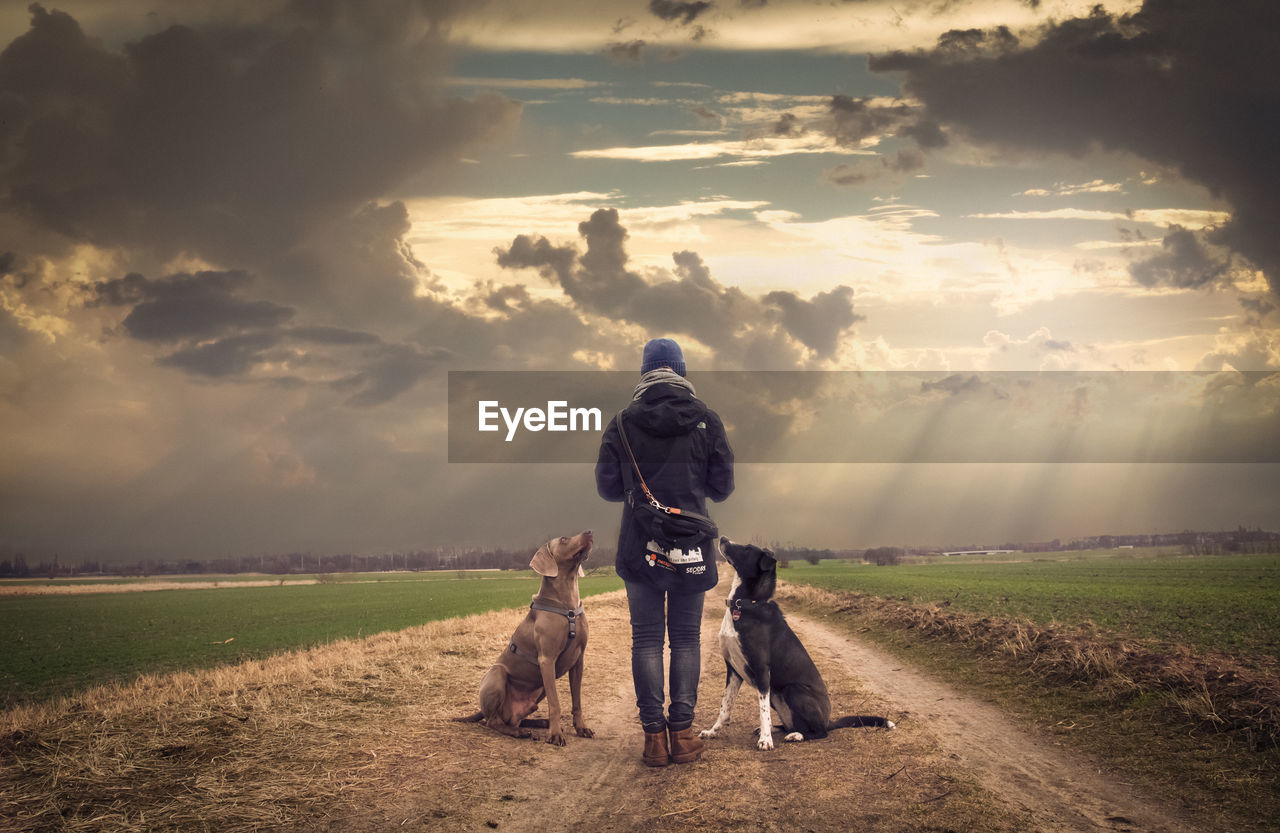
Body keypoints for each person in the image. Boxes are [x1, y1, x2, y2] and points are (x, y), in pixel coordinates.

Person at [595, 337, 734, 766]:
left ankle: (654, 739)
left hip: (642, 547)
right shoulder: (706, 421)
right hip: (692, 546)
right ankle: (683, 732)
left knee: (648, 640)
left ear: (644, 373)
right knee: (687, 640)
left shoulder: (621, 423)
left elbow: (607, 488)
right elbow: (722, 488)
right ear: (681, 371)